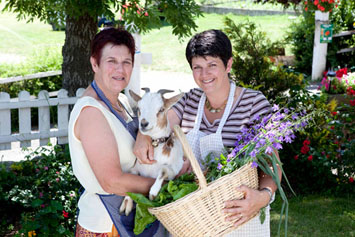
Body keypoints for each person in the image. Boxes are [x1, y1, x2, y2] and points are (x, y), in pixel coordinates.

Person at [134, 29, 281, 236]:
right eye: (197, 67)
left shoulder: (253, 104)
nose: (204, 75)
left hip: (238, 218)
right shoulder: (189, 100)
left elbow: (272, 163)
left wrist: (263, 197)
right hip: (194, 221)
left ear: (228, 64)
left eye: (212, 65)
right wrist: (142, 136)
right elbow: (160, 123)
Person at [68, 27, 167, 236]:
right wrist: (165, 186)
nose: (120, 70)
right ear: (95, 63)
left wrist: (144, 134)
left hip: (127, 219)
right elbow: (112, 181)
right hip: (105, 225)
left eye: (126, 62)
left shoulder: (120, 101)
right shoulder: (91, 112)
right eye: (111, 61)